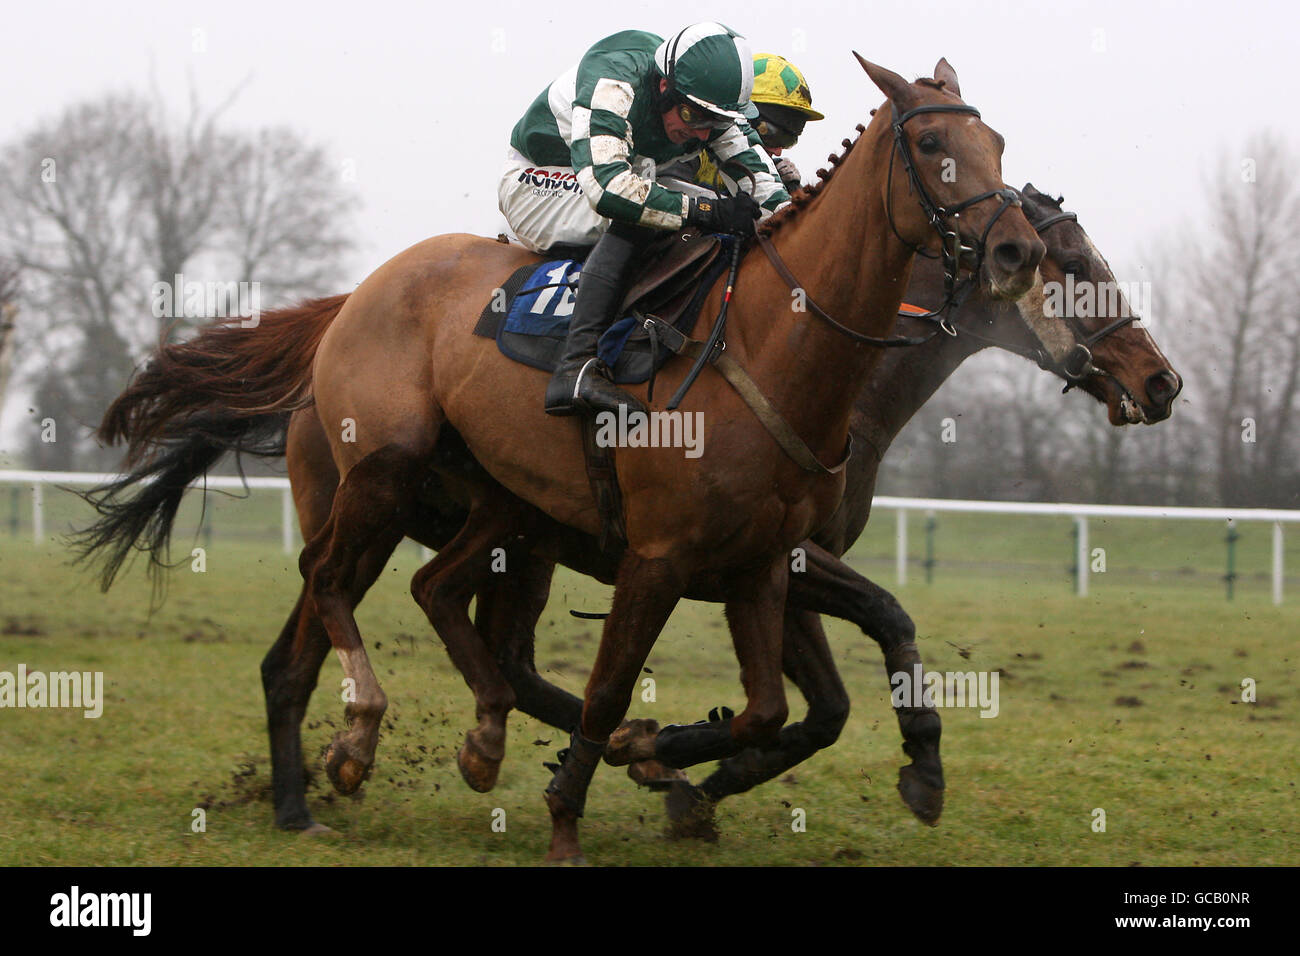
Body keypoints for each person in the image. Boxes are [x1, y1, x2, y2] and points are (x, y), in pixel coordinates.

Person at [498, 22, 791, 418]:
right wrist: (706, 211)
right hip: (541, 181)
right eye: (691, 115)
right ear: (663, 85)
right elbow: (609, 189)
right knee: (655, 210)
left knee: (726, 213)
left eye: (714, 125)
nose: (700, 133)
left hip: (630, 173)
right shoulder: (615, 78)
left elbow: (770, 196)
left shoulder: (709, 106)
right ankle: (576, 367)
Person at [661, 54, 825, 196]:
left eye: (788, 140)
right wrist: (727, 208)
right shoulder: (697, 142)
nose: (778, 150)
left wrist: (792, 191)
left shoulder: (764, 171)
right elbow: (666, 190)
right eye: (773, 135)